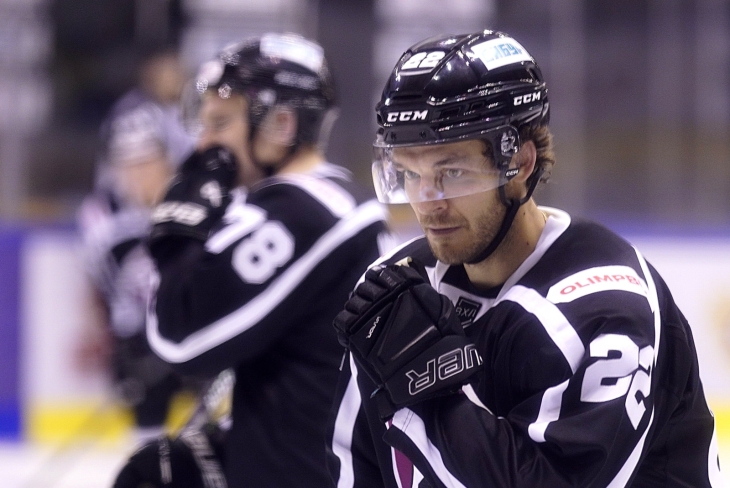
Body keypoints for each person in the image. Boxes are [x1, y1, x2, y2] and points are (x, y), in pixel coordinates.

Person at [328, 30, 723, 487]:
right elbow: (354, 464)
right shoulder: (397, 286)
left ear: (520, 164)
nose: (427, 202)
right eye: (409, 174)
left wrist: (427, 394)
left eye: (452, 172)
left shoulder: (607, 309)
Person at [143, 32, 391, 487]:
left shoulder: (305, 213)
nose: (204, 145)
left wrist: (177, 237)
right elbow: (296, 378)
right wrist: (221, 452)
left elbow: (179, 333)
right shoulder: (316, 206)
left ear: (281, 124)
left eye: (220, 123)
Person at [76, 47, 195, 441]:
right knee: (147, 422)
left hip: (193, 332)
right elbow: (103, 285)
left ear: (168, 161)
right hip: (138, 338)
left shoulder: (193, 205)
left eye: (147, 162)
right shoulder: (103, 221)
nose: (139, 174)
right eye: (128, 164)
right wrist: (113, 340)